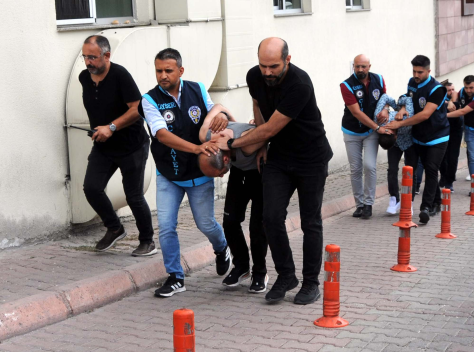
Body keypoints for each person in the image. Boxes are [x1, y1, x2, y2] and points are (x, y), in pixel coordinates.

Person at [216, 37, 333, 305]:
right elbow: (258, 108)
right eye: (263, 65)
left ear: (287, 60)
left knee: (310, 222)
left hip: (310, 158)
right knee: (269, 218)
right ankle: (286, 275)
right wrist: (260, 146)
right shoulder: (254, 76)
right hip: (279, 157)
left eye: (273, 66)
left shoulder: (299, 84)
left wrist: (233, 143)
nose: (267, 72)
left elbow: (271, 127)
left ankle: (311, 283)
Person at [139, 48, 231, 298]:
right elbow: (161, 135)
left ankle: (222, 248)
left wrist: (220, 116)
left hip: (200, 175)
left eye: (168, 70)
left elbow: (214, 112)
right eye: (159, 70)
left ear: (180, 70)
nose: (163, 75)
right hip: (169, 175)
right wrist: (196, 147)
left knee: (206, 224)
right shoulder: (149, 100)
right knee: (167, 226)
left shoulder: (197, 89)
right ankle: (175, 276)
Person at [79, 35, 156, 256]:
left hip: (131, 145)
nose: (88, 62)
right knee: (92, 188)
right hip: (103, 146)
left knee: (133, 195)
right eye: (85, 57)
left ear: (107, 55)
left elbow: (137, 108)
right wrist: (99, 129)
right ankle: (115, 228)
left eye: (92, 57)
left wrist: (111, 127)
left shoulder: (120, 75)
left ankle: (147, 241)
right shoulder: (84, 78)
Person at [197, 107, 270, 294]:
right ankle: (241, 266)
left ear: (227, 158)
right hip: (240, 171)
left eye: (220, 173)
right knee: (230, 221)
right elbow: (218, 106)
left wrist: (261, 146)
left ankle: (260, 272)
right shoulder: (205, 136)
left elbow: (267, 133)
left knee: (257, 226)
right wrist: (222, 115)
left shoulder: (246, 144)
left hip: (260, 170)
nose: (221, 177)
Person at [384, 55, 449, 225]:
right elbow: (407, 99)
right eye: (414, 71)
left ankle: (425, 208)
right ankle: (436, 201)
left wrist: (400, 124)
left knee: (431, 169)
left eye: (420, 72)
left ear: (428, 71)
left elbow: (425, 114)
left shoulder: (437, 89)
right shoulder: (412, 82)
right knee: (425, 168)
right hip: (418, 136)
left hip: (437, 136)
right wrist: (403, 108)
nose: (416, 74)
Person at [339, 55, 388, 219]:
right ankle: (359, 205)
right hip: (352, 132)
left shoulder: (379, 80)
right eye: (357, 66)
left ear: (369, 66)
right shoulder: (346, 85)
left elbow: (384, 99)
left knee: (370, 166)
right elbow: (356, 112)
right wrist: (377, 127)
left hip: (370, 133)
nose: (360, 70)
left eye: (363, 67)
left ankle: (368, 204)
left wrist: (386, 110)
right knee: (356, 169)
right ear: (353, 66)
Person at [370, 93, 416, 215]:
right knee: (392, 170)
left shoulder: (406, 121)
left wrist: (400, 109)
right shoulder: (379, 120)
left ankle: (409, 202)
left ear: (395, 136)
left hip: (409, 142)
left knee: (411, 171)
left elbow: (408, 99)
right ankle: (394, 199)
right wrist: (385, 108)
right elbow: (384, 97)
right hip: (394, 146)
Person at [438, 81, 463, 193]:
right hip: (442, 131)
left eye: (453, 90)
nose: (452, 92)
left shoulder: (458, 100)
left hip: (455, 131)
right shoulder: (439, 100)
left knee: (453, 157)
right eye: (449, 90)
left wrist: (452, 101)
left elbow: (457, 109)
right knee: (442, 158)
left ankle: (449, 182)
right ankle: (444, 176)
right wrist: (450, 101)